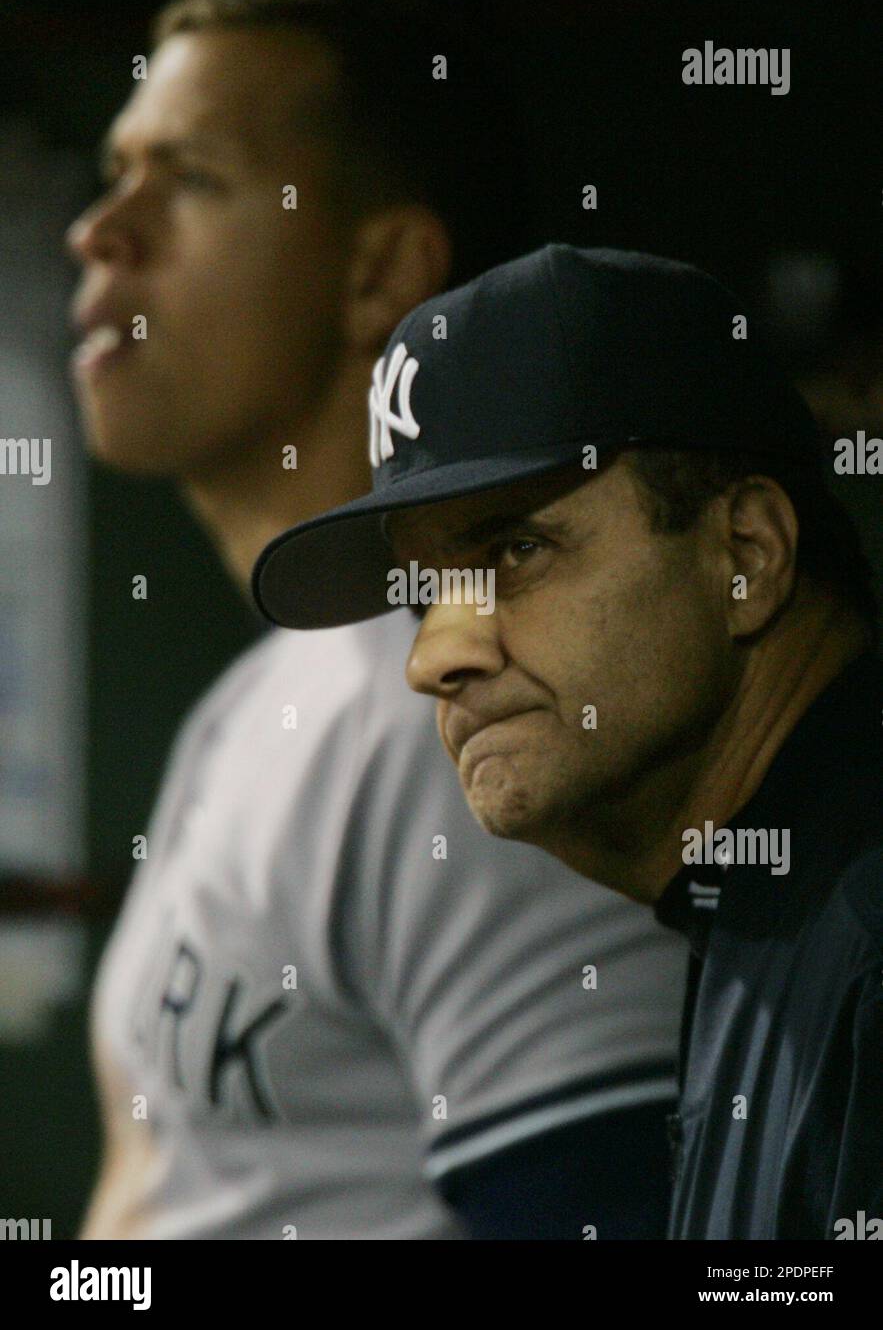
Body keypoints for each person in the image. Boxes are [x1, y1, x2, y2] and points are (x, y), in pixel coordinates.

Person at [67, 0, 686, 1240]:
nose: (101, 229)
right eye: (114, 170)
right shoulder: (265, 702)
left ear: (379, 273)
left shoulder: (469, 714)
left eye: (186, 177)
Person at [254, 243, 883, 1240]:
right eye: (423, 592)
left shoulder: (859, 929)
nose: (433, 658)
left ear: (746, 557)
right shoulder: (763, 912)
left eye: (515, 548)